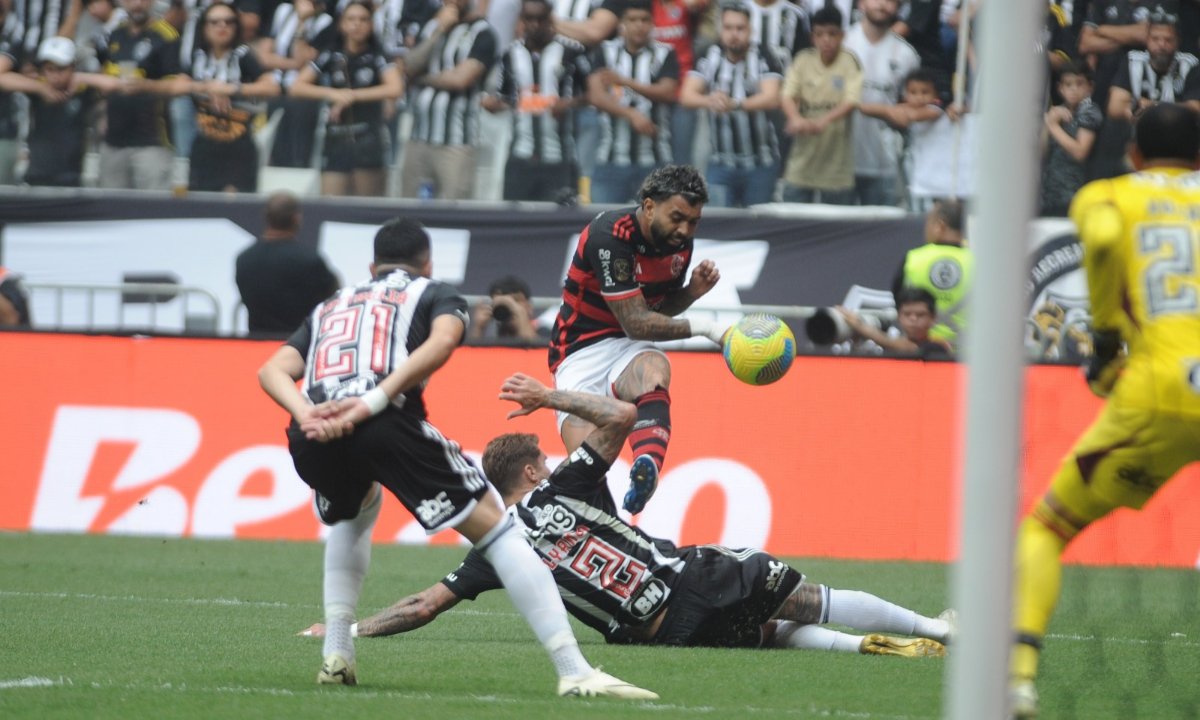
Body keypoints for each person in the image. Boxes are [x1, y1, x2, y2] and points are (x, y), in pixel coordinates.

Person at [257, 217, 655, 698]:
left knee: (355, 513)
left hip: (312, 434)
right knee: (501, 532)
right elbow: (444, 341)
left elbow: (272, 368)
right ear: (427, 262)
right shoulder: (432, 292)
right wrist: (371, 402)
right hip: (382, 421)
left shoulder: (329, 306)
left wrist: (309, 415)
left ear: (370, 266)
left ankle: (337, 651)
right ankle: (575, 671)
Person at [300, 372, 956, 657]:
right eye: (543, 460)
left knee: (770, 637)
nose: (552, 463)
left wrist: (347, 633)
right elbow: (622, 415)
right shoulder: (571, 484)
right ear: (532, 472)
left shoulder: (496, 547)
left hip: (660, 634)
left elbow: (421, 605)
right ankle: (938, 629)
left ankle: (873, 650)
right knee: (808, 600)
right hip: (694, 579)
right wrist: (546, 395)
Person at [1010, 102, 1200, 718]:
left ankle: (1016, 677)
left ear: (1135, 154)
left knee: (1046, 527)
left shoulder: (1107, 195)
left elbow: (1105, 241)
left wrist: (1108, 343)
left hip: (1160, 394)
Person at [549, 163, 728, 515]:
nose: (684, 229)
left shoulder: (679, 245)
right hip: (579, 351)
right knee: (587, 474)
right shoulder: (610, 234)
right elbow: (635, 321)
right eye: (677, 217)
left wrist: (690, 292)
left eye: (693, 221)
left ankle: (646, 464)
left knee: (654, 368)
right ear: (648, 206)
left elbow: (657, 310)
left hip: (627, 347)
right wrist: (707, 327)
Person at [288, 0, 404, 197]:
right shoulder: (330, 54)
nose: (356, 24)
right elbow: (296, 87)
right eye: (351, 19)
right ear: (341, 23)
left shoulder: (378, 56)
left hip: (368, 137)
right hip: (335, 138)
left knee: (367, 207)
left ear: (371, 24)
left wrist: (353, 96)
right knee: (331, 203)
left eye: (363, 19)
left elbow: (395, 88)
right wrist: (333, 94)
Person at [480, 0, 590, 202]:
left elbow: (592, 95)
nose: (534, 25)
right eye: (529, 19)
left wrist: (569, 103)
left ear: (551, 20)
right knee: (516, 226)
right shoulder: (509, 55)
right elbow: (501, 97)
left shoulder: (572, 52)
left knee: (559, 225)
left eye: (540, 19)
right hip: (520, 159)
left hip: (561, 159)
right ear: (521, 20)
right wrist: (494, 104)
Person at [678, 2, 782, 208]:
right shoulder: (709, 55)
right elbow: (686, 96)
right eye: (728, 28)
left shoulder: (764, 56)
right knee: (719, 227)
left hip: (760, 163)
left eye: (740, 28)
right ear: (720, 29)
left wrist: (734, 104)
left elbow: (772, 98)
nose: (734, 34)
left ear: (750, 30)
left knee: (758, 225)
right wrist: (710, 100)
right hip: (721, 163)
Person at [174, 1, 279, 193]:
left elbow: (272, 87)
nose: (222, 27)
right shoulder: (198, 56)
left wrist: (231, 89)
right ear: (204, 27)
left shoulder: (243, 55)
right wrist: (207, 87)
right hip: (204, 143)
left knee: (235, 207)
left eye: (228, 22)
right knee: (200, 205)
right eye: (214, 22)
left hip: (238, 145)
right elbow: (176, 85)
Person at [400, 0, 498, 200]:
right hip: (419, 136)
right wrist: (439, 30)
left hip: (456, 141)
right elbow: (409, 65)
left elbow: (461, 79)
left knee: (454, 209)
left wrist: (422, 79)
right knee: (411, 206)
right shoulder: (432, 26)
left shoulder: (483, 33)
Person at [586, 0, 679, 204]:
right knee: (606, 227)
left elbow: (667, 92)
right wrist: (631, 114)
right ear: (622, 23)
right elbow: (596, 96)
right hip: (611, 160)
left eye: (645, 20)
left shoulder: (665, 53)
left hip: (655, 162)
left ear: (653, 23)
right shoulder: (605, 51)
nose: (639, 25)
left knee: (655, 230)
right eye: (633, 19)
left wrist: (625, 81)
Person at [0, 36, 121, 187]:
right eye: (49, 69)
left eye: (62, 69)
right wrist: (40, 88)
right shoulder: (38, 90)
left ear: (72, 67)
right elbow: (2, 79)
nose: (55, 76)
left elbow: (115, 84)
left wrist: (81, 78)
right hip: (37, 173)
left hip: (70, 174)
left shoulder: (82, 91)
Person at [94, 0, 180, 190]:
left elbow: (176, 85)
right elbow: (103, 75)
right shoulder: (113, 35)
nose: (137, 4)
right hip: (113, 140)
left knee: (153, 211)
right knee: (111, 211)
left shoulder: (166, 35)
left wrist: (145, 86)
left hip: (152, 141)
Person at [780, 5, 862, 205]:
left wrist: (822, 121)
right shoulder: (802, 60)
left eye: (832, 34)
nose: (826, 40)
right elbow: (786, 96)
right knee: (794, 223)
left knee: (838, 230)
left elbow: (851, 101)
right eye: (820, 34)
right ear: (812, 37)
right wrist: (795, 119)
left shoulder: (849, 62)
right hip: (801, 163)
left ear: (842, 36)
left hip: (836, 167)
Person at [843, 0, 919, 207]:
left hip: (884, 163)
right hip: (840, 163)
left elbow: (909, 112)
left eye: (890, 1)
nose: (882, 5)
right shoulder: (842, 44)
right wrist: (884, 110)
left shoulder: (907, 55)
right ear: (861, 4)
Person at [235, 191, 339, 335]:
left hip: (256, 342)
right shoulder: (309, 260)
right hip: (299, 345)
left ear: (266, 217)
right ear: (296, 218)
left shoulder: (244, 259)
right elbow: (333, 297)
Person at [891, 197, 971, 349]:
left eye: (928, 223)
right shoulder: (980, 263)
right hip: (968, 355)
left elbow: (900, 303)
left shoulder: (913, 258)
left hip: (921, 352)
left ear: (940, 226)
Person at [1106, 16, 1200, 123]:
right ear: (1147, 40)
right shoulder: (1132, 61)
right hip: (1138, 131)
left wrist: (1152, 107)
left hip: (1178, 132)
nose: (1161, 45)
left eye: (1168, 40)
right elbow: (1114, 107)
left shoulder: (1190, 64)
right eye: (1155, 39)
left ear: (1177, 42)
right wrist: (1132, 113)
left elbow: (1196, 107)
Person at [1041, 61, 1101, 217]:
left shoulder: (1090, 111)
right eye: (1068, 84)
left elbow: (1080, 152)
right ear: (1060, 88)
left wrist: (1053, 126)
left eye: (1079, 84)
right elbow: (1041, 152)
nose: (1073, 89)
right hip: (1050, 193)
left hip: (1075, 193)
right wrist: (1048, 124)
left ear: (1090, 87)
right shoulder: (1058, 112)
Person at [835, 286, 952, 358]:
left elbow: (909, 348)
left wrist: (860, 326)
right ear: (899, 317)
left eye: (920, 315)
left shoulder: (938, 346)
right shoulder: (892, 345)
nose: (913, 319)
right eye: (907, 314)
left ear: (933, 318)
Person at [467, 274, 551, 344]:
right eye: (501, 301)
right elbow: (468, 359)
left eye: (515, 300)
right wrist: (478, 328)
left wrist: (520, 318)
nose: (509, 306)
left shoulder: (546, 334)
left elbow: (538, 357)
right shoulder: (489, 336)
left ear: (529, 307)